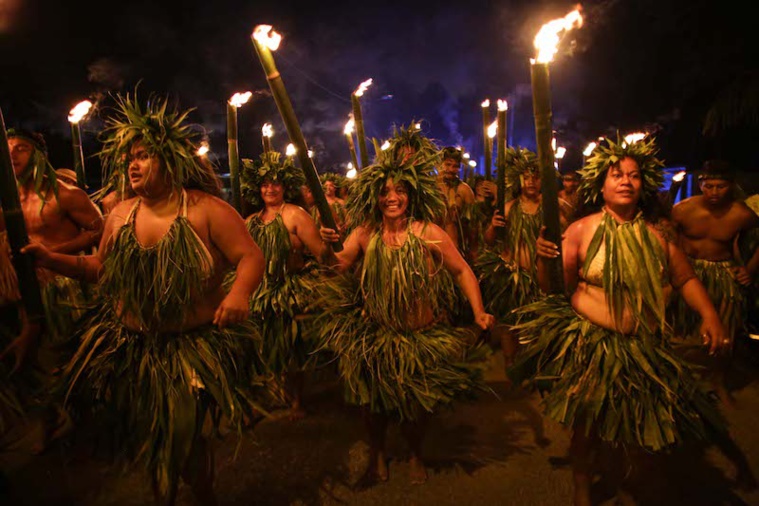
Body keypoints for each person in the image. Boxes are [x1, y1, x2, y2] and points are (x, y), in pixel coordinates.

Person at [22, 93, 268, 506]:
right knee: (152, 437)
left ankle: (201, 491)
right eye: (129, 157)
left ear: (170, 161)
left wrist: (240, 293)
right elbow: (99, 269)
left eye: (143, 156)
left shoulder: (207, 210)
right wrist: (51, 259)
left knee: (183, 438)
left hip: (189, 347)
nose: (132, 164)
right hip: (133, 347)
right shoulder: (120, 215)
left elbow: (250, 256)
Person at [509, 135, 732, 506]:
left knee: (640, 428)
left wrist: (710, 315)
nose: (626, 181)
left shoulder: (655, 233)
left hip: (642, 347)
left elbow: (684, 277)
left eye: (633, 175)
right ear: (602, 184)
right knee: (588, 428)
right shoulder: (582, 229)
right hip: (594, 344)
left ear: (643, 184)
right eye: (617, 175)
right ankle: (583, 488)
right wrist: (543, 258)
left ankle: (636, 480)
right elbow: (553, 288)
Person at [317, 144, 494, 487]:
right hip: (377, 335)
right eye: (384, 192)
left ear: (411, 195)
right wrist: (326, 247)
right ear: (375, 197)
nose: (392, 198)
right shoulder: (365, 233)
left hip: (420, 335)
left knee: (416, 407)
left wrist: (479, 310)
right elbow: (337, 266)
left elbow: (461, 271)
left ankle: (415, 453)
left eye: (399, 191)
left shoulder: (427, 233)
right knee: (374, 407)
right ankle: (379, 453)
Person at [2, 129, 104, 451]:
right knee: (31, 359)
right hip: (28, 292)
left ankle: (87, 422)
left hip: (66, 288)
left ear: (39, 154)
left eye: (21, 148)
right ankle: (49, 419)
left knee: (74, 357)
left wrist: (56, 253)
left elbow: (98, 229)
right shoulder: (8, 198)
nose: (13, 155)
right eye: (7, 150)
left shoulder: (63, 193)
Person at [238, 152, 333, 419]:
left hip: (289, 291)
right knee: (264, 345)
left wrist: (328, 243)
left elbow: (320, 254)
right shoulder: (251, 221)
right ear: (258, 188)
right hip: (260, 292)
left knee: (292, 346)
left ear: (285, 187)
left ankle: (296, 400)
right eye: (265, 184)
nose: (270, 188)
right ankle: (271, 393)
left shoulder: (296, 215)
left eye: (276, 183)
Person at [670, 159, 759, 405]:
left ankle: (718, 379)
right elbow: (669, 242)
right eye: (709, 186)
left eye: (720, 186)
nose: (714, 192)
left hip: (723, 273)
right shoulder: (683, 210)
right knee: (674, 329)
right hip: (688, 271)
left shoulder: (742, 214)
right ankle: (674, 378)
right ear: (700, 185)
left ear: (730, 186)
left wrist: (749, 270)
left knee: (726, 330)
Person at [478, 147, 571, 378]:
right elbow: (489, 241)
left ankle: (535, 366)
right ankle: (510, 364)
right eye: (526, 177)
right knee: (509, 324)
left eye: (536, 176)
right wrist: (492, 226)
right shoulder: (509, 208)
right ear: (519, 180)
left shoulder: (552, 208)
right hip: (513, 277)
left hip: (542, 278)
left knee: (537, 324)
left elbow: (569, 235)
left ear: (542, 180)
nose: (531, 181)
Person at [436, 146, 477, 262]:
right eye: (448, 164)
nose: (450, 169)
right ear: (440, 164)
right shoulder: (431, 187)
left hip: (457, 248)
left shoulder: (465, 190)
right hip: (433, 244)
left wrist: (474, 250)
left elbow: (472, 226)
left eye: (455, 166)